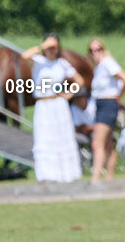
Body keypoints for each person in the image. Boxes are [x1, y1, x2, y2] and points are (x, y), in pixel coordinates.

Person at [22, 33, 84, 182]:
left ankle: (66, 174)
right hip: (43, 104)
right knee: (43, 137)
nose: (51, 49)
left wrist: (70, 93)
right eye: (49, 47)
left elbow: (79, 80)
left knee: (62, 137)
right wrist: (43, 46)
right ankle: (46, 175)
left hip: (58, 103)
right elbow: (24, 56)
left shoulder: (62, 64)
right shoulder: (38, 61)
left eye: (54, 47)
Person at [87, 38, 125, 182]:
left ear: (103, 50)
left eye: (98, 49)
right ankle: (109, 177)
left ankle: (96, 176)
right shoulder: (98, 67)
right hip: (101, 104)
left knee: (97, 143)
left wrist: (118, 96)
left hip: (108, 103)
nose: (95, 53)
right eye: (92, 50)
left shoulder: (107, 63)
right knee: (107, 144)